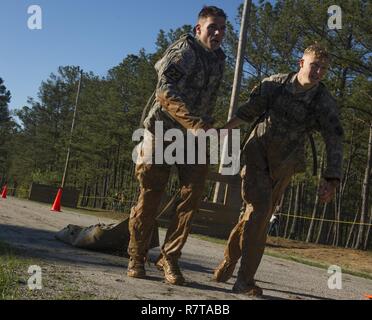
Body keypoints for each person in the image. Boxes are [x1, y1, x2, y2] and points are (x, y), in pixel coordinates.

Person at [213, 44, 344, 296]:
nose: (318, 72)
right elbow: (247, 112)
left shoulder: (323, 101)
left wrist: (332, 178)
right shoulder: (274, 84)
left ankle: (229, 260)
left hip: (286, 164)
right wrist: (222, 129)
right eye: (314, 65)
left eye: (324, 68)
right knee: (260, 211)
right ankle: (245, 280)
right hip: (257, 154)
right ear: (301, 63)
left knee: (256, 215)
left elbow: (334, 138)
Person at [127, 6, 227, 285]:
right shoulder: (184, 51)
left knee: (192, 197)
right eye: (212, 27)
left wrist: (204, 127)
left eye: (222, 29)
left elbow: (208, 98)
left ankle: (168, 258)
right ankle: (137, 256)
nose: (218, 33)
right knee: (151, 195)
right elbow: (164, 90)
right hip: (163, 130)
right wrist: (194, 123)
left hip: (194, 137)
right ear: (199, 29)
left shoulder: (219, 59)